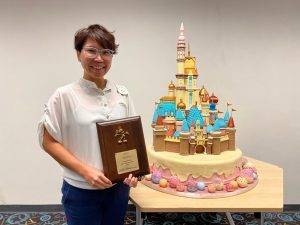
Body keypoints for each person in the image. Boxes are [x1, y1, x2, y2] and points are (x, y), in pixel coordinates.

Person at [38, 24, 138, 225]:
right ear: (78, 54)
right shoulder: (64, 95)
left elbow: (130, 139)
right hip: (81, 189)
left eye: (106, 52)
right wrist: (86, 172)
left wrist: (133, 171)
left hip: (118, 188)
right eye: (91, 50)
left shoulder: (122, 94)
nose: (99, 59)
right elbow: (48, 142)